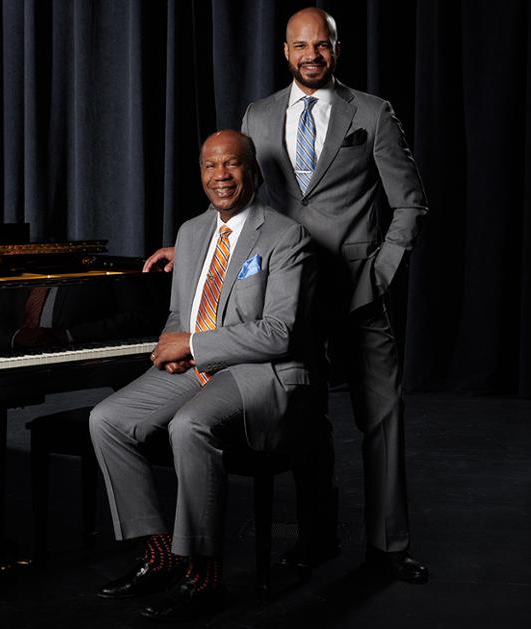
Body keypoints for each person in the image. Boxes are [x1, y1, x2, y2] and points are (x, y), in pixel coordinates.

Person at [143, 7, 429, 583]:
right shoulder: (260, 113)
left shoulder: (370, 114)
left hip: (354, 294)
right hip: (281, 292)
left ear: (336, 50)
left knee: (381, 416)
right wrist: (196, 247)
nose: (311, 56)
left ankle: (388, 547)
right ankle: (318, 538)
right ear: (285, 51)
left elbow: (410, 204)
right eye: (301, 46)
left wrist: (378, 275)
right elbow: (240, 189)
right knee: (305, 421)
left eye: (321, 45)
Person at [90, 130, 317, 621]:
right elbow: (182, 315)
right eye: (210, 166)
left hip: (260, 371)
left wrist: (192, 345)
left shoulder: (284, 235)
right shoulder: (192, 233)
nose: (221, 176)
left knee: (188, 426)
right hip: (199, 364)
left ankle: (204, 572)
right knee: (107, 419)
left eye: (232, 165)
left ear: (252, 170)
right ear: (200, 174)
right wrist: (176, 347)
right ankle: (160, 552)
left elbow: (280, 332)